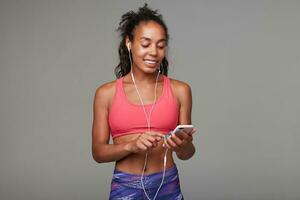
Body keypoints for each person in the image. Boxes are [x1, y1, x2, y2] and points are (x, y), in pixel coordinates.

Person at [92, 4, 196, 200]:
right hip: (125, 187)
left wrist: (184, 146)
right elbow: (98, 152)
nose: (154, 52)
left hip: (168, 186)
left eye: (160, 45)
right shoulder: (106, 93)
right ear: (129, 43)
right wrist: (131, 146)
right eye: (146, 44)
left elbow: (186, 154)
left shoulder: (180, 90)